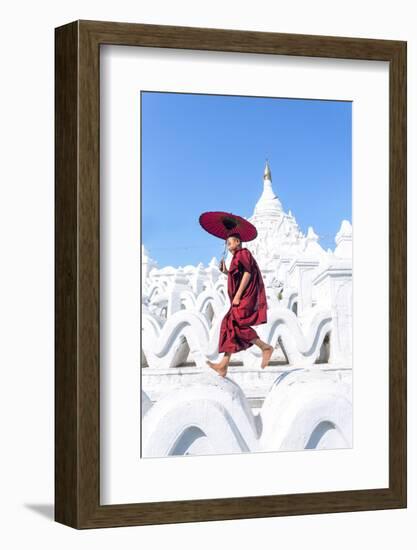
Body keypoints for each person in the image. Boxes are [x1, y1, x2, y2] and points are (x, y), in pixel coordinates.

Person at [206, 233, 273, 377]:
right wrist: (226, 272)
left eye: (230, 243)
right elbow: (238, 275)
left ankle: (265, 347)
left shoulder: (243, 253)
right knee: (230, 324)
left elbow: (248, 273)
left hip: (245, 296)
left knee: (236, 322)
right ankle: (223, 365)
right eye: (227, 244)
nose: (228, 247)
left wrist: (237, 295)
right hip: (241, 296)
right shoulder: (237, 257)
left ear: (237, 242)